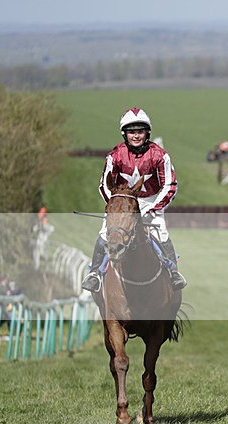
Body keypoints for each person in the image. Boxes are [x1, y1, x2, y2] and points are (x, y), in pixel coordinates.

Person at [81, 107, 187, 292]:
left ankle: (173, 272)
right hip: (122, 202)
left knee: (160, 231)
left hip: (150, 201)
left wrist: (152, 210)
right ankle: (95, 274)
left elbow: (170, 185)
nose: (136, 136)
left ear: (147, 133)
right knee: (106, 232)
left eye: (140, 131)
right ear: (124, 134)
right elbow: (103, 185)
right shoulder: (114, 156)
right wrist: (116, 206)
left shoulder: (160, 155)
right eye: (131, 132)